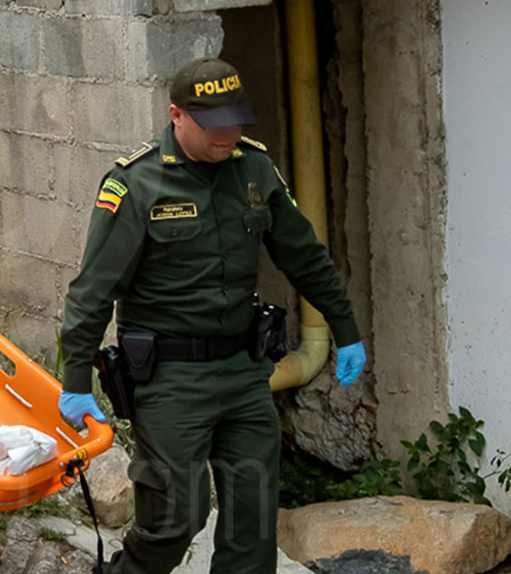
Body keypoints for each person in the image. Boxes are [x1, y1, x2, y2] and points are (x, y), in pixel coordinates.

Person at [56, 58, 368, 574]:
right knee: (177, 515)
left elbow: (303, 254)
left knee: (253, 522)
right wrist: (74, 380)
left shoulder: (254, 168)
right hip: (170, 379)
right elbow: (92, 290)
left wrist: (345, 327)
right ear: (177, 116)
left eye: (236, 120)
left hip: (245, 371)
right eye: (214, 124)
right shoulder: (136, 183)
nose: (228, 133)